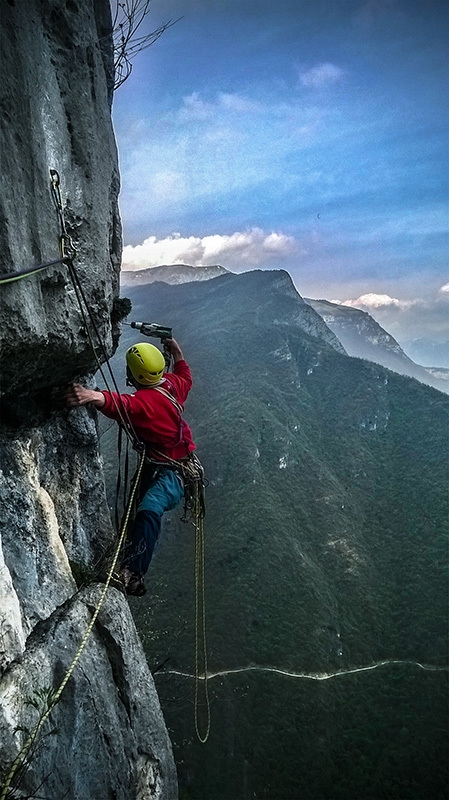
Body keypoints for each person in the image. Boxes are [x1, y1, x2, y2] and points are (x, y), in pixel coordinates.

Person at [65, 337, 196, 596]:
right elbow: (184, 374)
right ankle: (128, 555)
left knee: (149, 509)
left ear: (133, 374)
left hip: (172, 473)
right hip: (170, 465)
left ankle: (133, 574)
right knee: (136, 511)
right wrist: (177, 349)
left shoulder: (145, 402)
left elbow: (120, 404)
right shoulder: (173, 385)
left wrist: (90, 395)